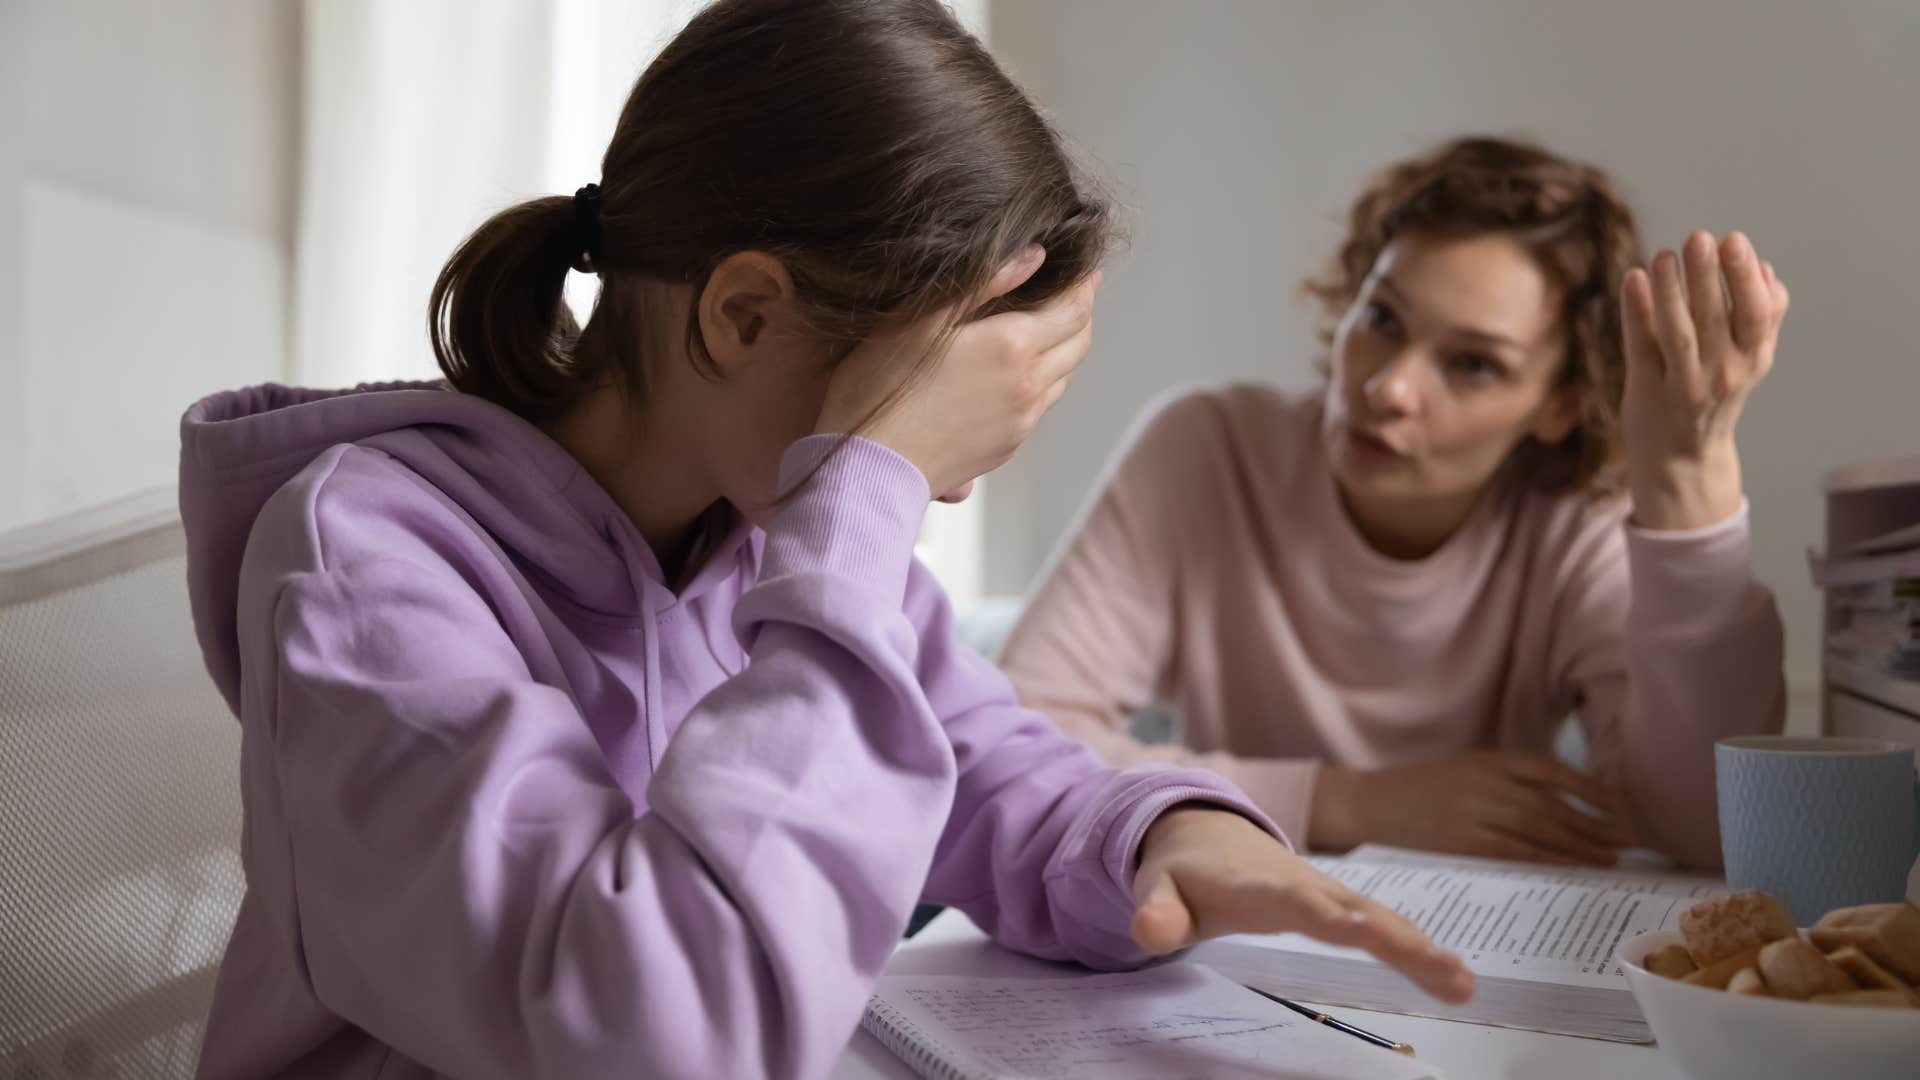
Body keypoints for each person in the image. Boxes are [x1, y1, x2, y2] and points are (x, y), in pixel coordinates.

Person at [178, 3, 1470, 1077]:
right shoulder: (369, 567)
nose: (931, 502)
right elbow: (665, 1034)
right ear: (744, 316)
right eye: (915, 432)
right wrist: (867, 495)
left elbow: (991, 764)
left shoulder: (759, 535)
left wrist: (1168, 834)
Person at [1001, 136, 1789, 872]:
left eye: (1474, 365)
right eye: (1381, 318)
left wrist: (1688, 479)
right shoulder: (1208, 450)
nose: (1389, 388)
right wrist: (1353, 804)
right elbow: (1014, 742)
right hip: (1226, 928)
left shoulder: (1576, 520)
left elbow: (1703, 831)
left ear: (1561, 406)